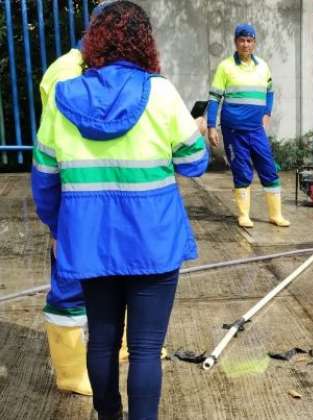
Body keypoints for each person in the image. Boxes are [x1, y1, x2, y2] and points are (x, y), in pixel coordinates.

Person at [31, 2, 208, 419]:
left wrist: (59, 227)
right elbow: (195, 162)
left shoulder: (62, 97)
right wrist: (195, 131)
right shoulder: (161, 92)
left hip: (91, 243)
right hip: (154, 242)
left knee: (102, 342)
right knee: (145, 349)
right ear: (144, 41)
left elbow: (43, 178)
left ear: (94, 40)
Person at [38, 0, 115, 397]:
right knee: (71, 280)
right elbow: (51, 151)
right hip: (74, 196)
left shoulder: (93, 67)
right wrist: (54, 223)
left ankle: (109, 345)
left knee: (107, 273)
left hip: (99, 192)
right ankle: (69, 372)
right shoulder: (66, 72)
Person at [206, 23, 290, 228]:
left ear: (254, 43)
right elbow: (215, 98)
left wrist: (267, 112)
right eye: (242, 40)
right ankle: (244, 215)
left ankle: (275, 215)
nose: (246, 44)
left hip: (256, 129)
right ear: (235, 42)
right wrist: (210, 125)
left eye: (249, 40)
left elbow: (270, 91)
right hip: (233, 130)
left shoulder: (263, 66)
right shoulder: (225, 67)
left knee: (268, 168)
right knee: (242, 170)